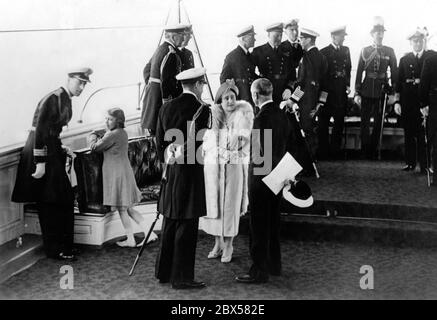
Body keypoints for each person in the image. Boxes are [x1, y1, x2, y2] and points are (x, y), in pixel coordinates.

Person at [11, 67, 93, 261]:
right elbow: (39, 132)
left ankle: (64, 246)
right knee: (50, 202)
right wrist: (40, 163)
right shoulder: (54, 98)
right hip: (40, 153)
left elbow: (51, 131)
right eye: (79, 82)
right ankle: (56, 249)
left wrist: (60, 146)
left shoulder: (64, 98)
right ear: (69, 79)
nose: (81, 87)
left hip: (51, 149)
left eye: (84, 83)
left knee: (61, 199)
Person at [155, 67, 211, 289]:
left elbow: (159, 142)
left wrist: (168, 158)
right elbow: (198, 144)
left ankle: (164, 272)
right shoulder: (201, 109)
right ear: (197, 85)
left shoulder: (166, 107)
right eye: (202, 85)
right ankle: (182, 277)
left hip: (170, 170)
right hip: (190, 171)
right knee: (187, 224)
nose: (203, 88)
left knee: (169, 219)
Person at [236, 78, 293, 284]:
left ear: (255, 95)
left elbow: (260, 156)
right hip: (279, 177)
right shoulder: (282, 116)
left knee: (258, 225)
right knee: (273, 223)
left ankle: (259, 271)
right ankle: (274, 265)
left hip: (261, 180)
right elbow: (289, 147)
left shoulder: (260, 119)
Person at [88, 108, 158, 247]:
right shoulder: (122, 132)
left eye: (110, 119)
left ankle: (131, 239)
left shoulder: (112, 135)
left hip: (117, 175)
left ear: (118, 121)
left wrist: (92, 134)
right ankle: (149, 232)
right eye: (106, 119)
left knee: (122, 208)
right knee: (128, 208)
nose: (106, 122)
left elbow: (94, 147)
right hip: (124, 172)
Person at [202, 80, 254, 263]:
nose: (230, 101)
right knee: (215, 206)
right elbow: (207, 145)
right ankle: (218, 243)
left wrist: (228, 150)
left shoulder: (243, 117)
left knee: (230, 206)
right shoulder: (214, 118)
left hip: (233, 167)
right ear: (220, 100)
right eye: (226, 98)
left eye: (232, 97)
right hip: (214, 168)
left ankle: (229, 244)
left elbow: (241, 145)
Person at [354, 16, 398, 159]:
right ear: (372, 34)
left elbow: (395, 73)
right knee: (364, 122)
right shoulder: (364, 51)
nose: (379, 35)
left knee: (378, 122)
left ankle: (374, 150)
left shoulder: (389, 51)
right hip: (366, 89)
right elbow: (360, 72)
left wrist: (394, 93)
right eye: (377, 32)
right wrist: (357, 92)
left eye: (381, 32)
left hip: (381, 91)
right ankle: (364, 150)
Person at [395, 28, 433, 173]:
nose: (417, 43)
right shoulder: (405, 60)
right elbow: (398, 83)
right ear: (410, 43)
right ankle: (410, 163)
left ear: (424, 41)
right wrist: (397, 102)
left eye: (420, 40)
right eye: (415, 41)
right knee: (409, 134)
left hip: (424, 102)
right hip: (408, 101)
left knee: (424, 134)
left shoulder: (431, 57)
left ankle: (425, 165)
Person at [292, 28, 328, 175]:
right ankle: (311, 161)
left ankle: (305, 166)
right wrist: (321, 102)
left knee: (304, 132)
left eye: (302, 38)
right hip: (316, 101)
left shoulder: (306, 57)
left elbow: (302, 83)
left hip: (305, 101)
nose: (300, 41)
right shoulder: (322, 57)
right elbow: (326, 84)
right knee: (311, 131)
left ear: (308, 40)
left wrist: (293, 99)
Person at [140, 24, 187, 135]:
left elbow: (146, 69)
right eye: (182, 35)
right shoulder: (171, 53)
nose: (183, 38)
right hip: (161, 104)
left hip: (152, 101)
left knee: (156, 136)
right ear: (174, 37)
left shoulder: (160, 49)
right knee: (164, 138)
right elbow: (167, 83)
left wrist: (153, 86)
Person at [318, 26, 352, 160]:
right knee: (323, 122)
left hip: (340, 91)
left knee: (339, 122)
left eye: (344, 36)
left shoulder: (346, 50)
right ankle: (323, 151)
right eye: (341, 36)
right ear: (333, 37)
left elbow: (348, 68)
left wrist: (348, 84)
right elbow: (322, 73)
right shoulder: (324, 52)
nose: (343, 38)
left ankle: (335, 151)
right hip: (327, 91)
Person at [252, 23, 292, 104]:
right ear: (269, 35)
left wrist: (289, 88)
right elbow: (250, 72)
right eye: (276, 36)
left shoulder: (287, 51)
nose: (279, 38)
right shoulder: (258, 51)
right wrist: (259, 84)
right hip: (265, 92)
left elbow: (292, 74)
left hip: (283, 92)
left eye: (281, 35)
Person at [220, 25, 258, 109]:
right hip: (240, 101)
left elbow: (251, 75)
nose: (255, 39)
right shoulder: (232, 56)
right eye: (252, 37)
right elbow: (224, 80)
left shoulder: (250, 56)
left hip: (251, 100)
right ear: (244, 39)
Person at [419, 51, 437, 187]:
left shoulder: (430, 60)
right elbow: (423, 84)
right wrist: (424, 104)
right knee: (435, 141)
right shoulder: (430, 60)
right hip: (435, 103)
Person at [280, 19, 304, 93]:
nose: (295, 32)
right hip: (285, 87)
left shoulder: (304, 47)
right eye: (291, 30)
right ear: (285, 32)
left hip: (301, 87)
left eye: (296, 29)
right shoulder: (281, 47)